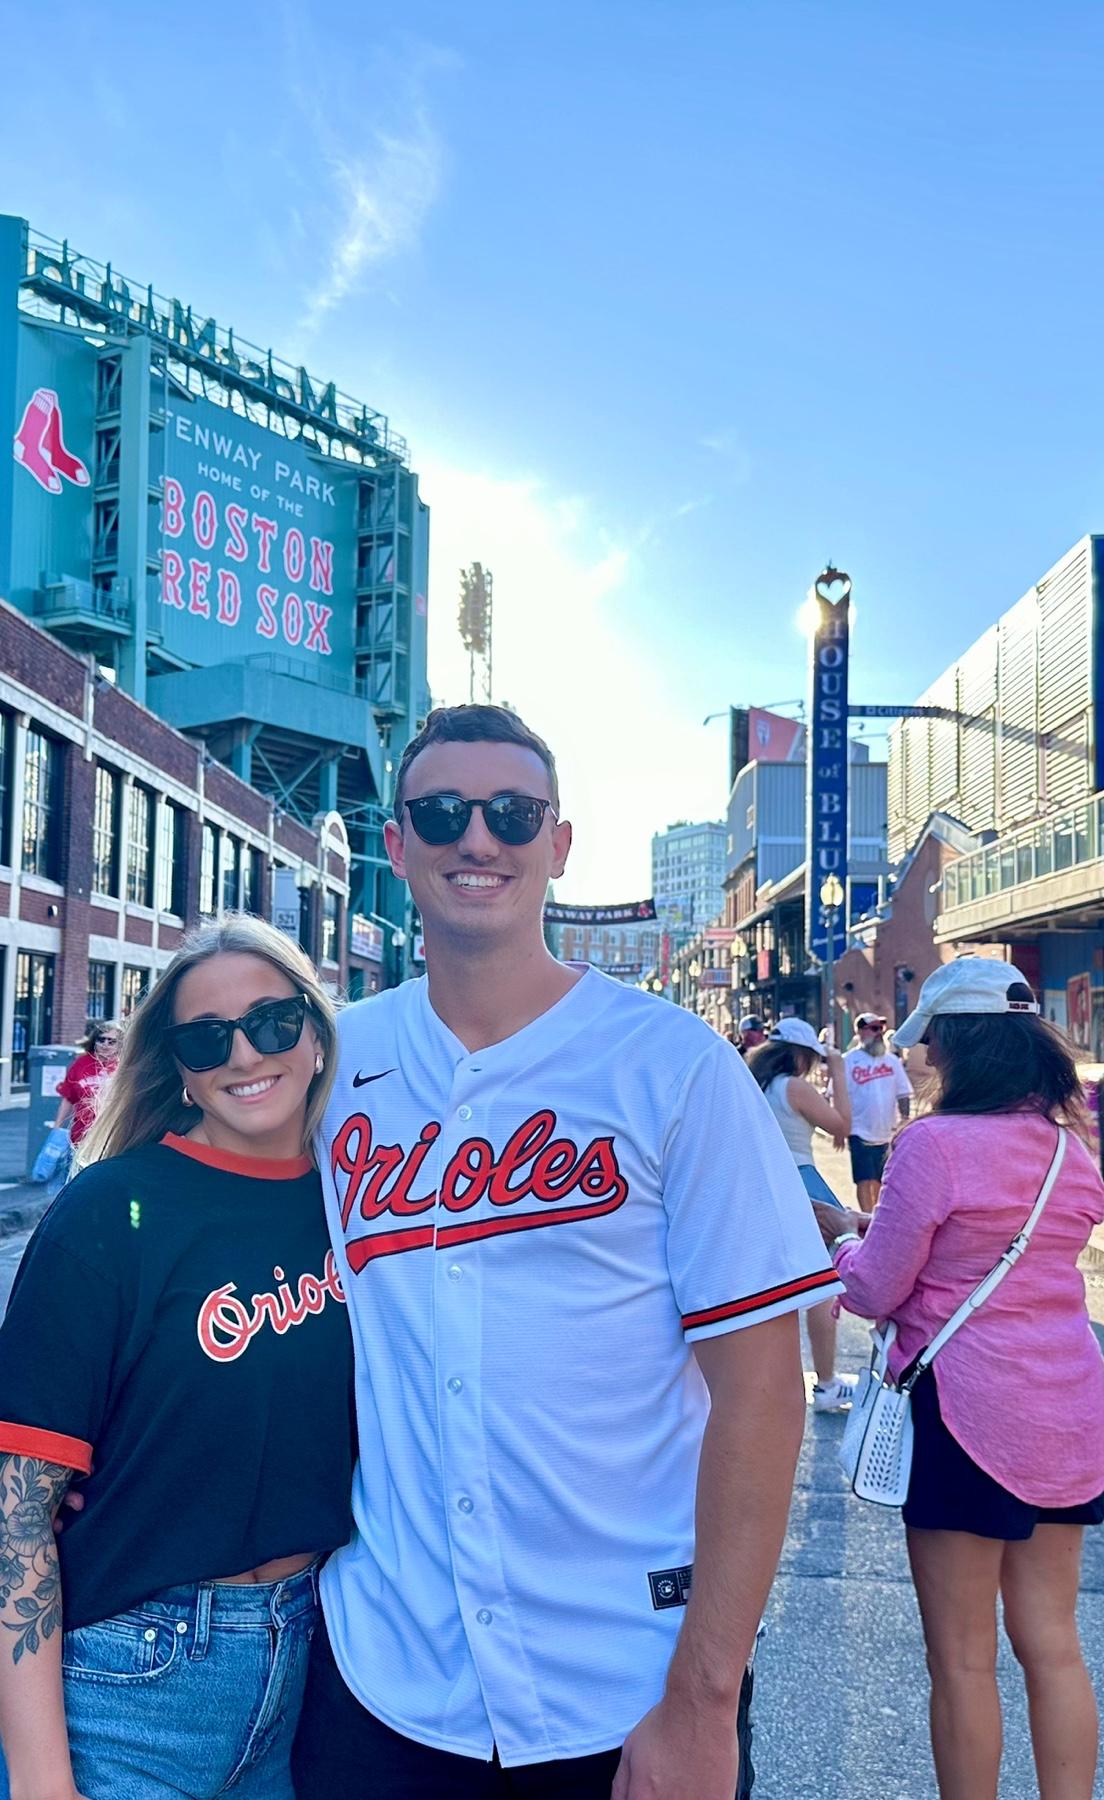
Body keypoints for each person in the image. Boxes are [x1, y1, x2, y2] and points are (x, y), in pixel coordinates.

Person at [293, 704, 838, 1800]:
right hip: (387, 1676)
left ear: (559, 841)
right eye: (442, 813)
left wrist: (704, 1700)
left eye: (512, 813)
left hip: (629, 1683)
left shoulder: (674, 1067)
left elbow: (764, 1393)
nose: (477, 839)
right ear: (396, 846)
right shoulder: (330, 1062)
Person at [0, 917, 350, 1800]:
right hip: (129, 1688)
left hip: (314, 1674)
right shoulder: (111, 1211)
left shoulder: (360, 1203)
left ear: (317, 1037)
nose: (245, 1054)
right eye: (206, 1039)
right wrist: (39, 1777)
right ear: (178, 1067)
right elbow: (14, 1514)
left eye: (273, 1023)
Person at [816, 957, 1104, 1800]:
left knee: (961, 1658)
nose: (926, 1059)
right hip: (1066, 1410)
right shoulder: (1071, 1152)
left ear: (955, 1044)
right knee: (1053, 1643)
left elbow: (874, 1288)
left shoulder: (933, 1145)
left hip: (965, 1415)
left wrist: (844, 1239)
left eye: (933, 1043)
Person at [745, 1018, 856, 1413]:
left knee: (769, 1288)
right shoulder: (794, 1086)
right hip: (801, 1181)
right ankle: (826, 1382)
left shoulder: (751, 1081)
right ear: (799, 1056)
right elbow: (842, 1124)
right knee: (822, 1287)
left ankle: (767, 1382)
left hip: (759, 1184)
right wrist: (839, 1072)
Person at [843, 1011, 913, 1212]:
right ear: (860, 1031)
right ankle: (867, 1219)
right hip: (859, 1130)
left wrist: (905, 1121)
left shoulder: (891, 1061)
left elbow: (903, 1093)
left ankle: (877, 1217)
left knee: (882, 1181)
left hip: (887, 1133)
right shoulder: (848, 1061)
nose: (879, 1033)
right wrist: (842, 1126)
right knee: (864, 1180)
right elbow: (839, 1096)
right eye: (874, 1029)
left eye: (881, 1028)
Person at [54, 1020, 121, 1149]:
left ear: (120, 1044)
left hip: (112, 1134)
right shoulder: (81, 1063)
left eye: (112, 1041)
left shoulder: (124, 1066)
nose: (105, 1045)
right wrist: (57, 1126)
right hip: (81, 1133)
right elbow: (69, 1098)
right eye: (101, 1040)